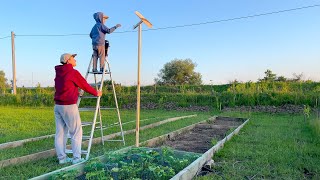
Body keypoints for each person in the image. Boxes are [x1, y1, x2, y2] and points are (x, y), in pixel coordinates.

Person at [54, 53, 102, 164]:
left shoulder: (59, 73)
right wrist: (96, 93)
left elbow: (64, 87)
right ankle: (77, 159)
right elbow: (84, 85)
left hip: (58, 106)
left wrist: (76, 91)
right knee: (76, 132)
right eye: (73, 58)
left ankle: (62, 159)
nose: (75, 59)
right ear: (68, 61)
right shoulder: (73, 72)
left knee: (60, 133)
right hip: (69, 106)